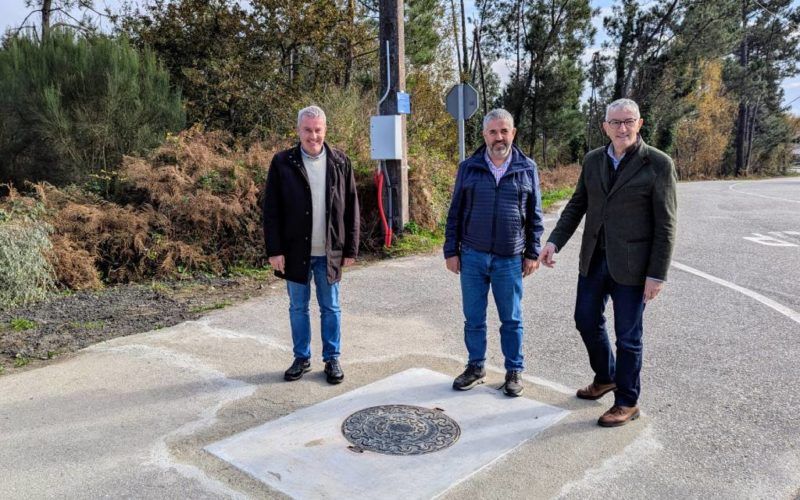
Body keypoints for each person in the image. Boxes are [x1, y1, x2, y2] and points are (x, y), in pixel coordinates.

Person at [539, 98, 677, 427]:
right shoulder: (593, 161)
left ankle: (627, 401)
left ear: (639, 124)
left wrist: (657, 274)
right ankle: (606, 376)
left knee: (628, 336)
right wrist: (554, 240)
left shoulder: (658, 164)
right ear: (605, 127)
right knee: (585, 320)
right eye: (615, 122)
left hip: (634, 266)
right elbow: (577, 205)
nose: (622, 128)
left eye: (628, 121)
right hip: (594, 260)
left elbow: (667, 224)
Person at [443, 108, 544, 397]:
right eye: (492, 131)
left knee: (511, 319)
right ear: (484, 135)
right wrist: (451, 250)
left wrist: (533, 252)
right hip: (473, 255)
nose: (499, 137)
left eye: (504, 131)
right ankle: (476, 367)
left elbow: (535, 216)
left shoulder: (527, 168)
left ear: (513, 133)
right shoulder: (468, 167)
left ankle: (514, 371)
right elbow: (455, 213)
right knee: (473, 318)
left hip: (509, 258)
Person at [262, 105, 360, 384]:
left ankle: (332, 359)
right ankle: (301, 358)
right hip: (295, 252)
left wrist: (350, 248)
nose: (313, 136)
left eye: (317, 130)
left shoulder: (340, 162)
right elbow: (272, 210)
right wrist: (275, 250)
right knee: (297, 308)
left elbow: (352, 207)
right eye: (307, 130)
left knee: (331, 307)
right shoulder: (283, 162)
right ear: (298, 130)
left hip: (330, 252)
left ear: (325, 130)